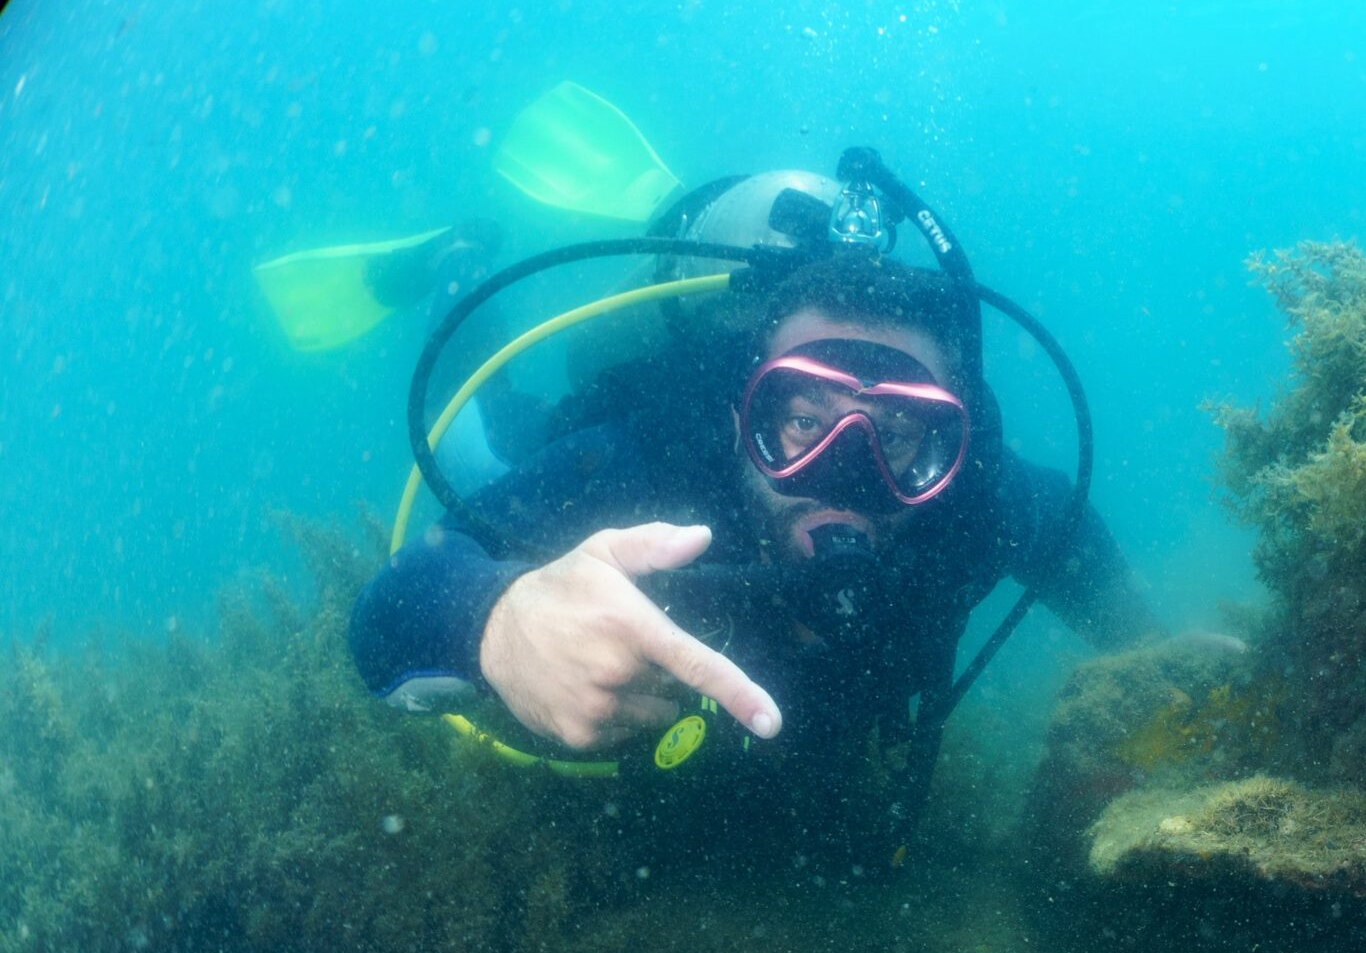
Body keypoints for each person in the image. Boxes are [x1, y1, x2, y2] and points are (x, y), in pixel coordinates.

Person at [347, 207, 1163, 841]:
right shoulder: (643, 472)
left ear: (948, 443)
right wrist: (501, 623)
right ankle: (459, 266)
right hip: (560, 463)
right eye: (806, 422)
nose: (848, 471)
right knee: (490, 436)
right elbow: (389, 610)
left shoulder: (971, 503)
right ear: (744, 419)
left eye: (898, 434)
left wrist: (1154, 652)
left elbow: (1071, 542)